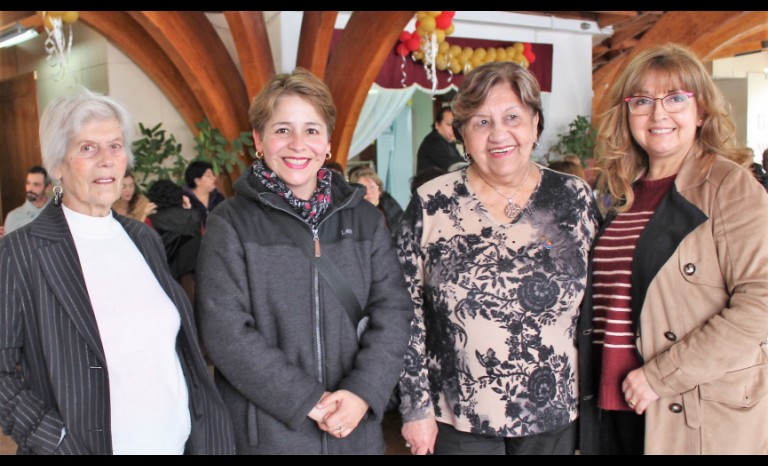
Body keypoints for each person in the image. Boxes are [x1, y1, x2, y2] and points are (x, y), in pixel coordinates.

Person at [0, 87, 234, 455]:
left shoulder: (142, 237)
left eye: (115, 146)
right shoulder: (22, 252)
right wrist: (55, 438)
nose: (107, 160)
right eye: (87, 148)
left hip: (176, 444)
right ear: (58, 164)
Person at [196, 67, 413, 455]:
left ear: (328, 142)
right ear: (260, 141)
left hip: (355, 432)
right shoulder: (231, 222)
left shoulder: (363, 218)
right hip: (269, 435)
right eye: (282, 130)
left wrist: (362, 392)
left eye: (311, 130)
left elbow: (393, 311)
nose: (298, 144)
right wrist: (309, 401)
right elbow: (225, 332)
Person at [396, 61, 599, 455]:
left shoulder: (572, 199)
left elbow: (601, 300)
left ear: (535, 123)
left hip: (554, 416)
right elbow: (404, 312)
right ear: (463, 135)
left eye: (512, 117)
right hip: (455, 419)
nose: (498, 135)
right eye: (481, 122)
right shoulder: (431, 204)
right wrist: (415, 407)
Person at [578, 43, 768, 455]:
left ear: (701, 112)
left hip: (690, 404)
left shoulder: (729, 187)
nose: (658, 113)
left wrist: (661, 377)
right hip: (616, 403)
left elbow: (761, 302)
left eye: (676, 98)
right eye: (643, 100)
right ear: (627, 113)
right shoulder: (616, 193)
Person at [146, 178, 203, 304]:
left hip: (171, 275)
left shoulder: (151, 220)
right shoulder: (195, 215)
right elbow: (202, 238)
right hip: (199, 269)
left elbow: (150, 250)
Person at [348, 166, 403, 233]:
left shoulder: (391, 208)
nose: (369, 192)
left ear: (379, 191)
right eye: (363, 189)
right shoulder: (350, 217)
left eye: (372, 187)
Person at [2, 165, 51, 236]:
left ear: (47, 188)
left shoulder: (59, 213)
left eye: (36, 184)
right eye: (28, 183)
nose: (30, 189)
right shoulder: (13, 217)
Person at [415, 107, 467, 173]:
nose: (454, 129)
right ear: (437, 125)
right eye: (449, 125)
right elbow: (454, 165)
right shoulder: (433, 142)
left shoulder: (449, 142)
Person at [183, 160, 225, 230]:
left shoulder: (219, 197)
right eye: (208, 176)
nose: (214, 178)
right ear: (197, 181)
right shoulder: (185, 201)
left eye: (213, 175)